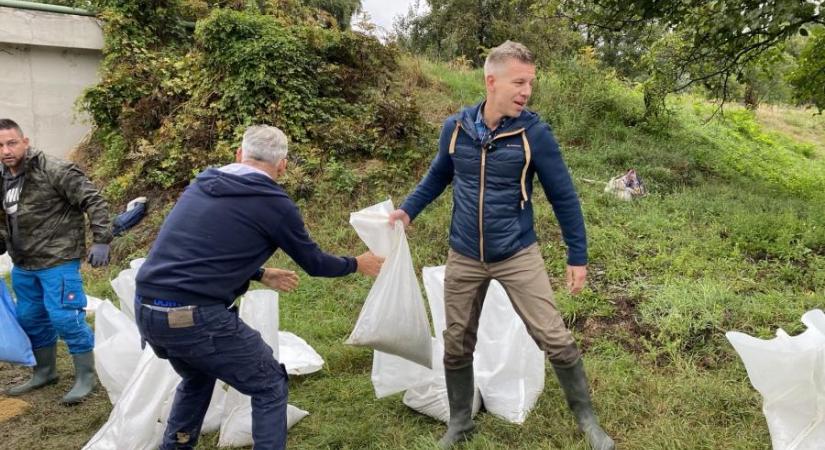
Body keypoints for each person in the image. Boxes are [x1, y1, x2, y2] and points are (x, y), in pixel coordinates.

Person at [388, 42, 615, 450]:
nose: (527, 91)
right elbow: (439, 174)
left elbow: (564, 196)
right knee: (456, 341)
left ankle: (588, 420)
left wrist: (576, 256)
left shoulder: (534, 134)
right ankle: (460, 423)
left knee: (555, 337)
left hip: (517, 253)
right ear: (491, 81)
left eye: (530, 82)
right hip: (464, 253)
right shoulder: (456, 128)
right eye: (519, 82)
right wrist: (408, 211)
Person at [134, 124, 384, 450]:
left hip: (147, 308)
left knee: (197, 375)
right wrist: (356, 263)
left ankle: (176, 445)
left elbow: (198, 252)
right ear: (282, 165)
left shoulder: (203, 184)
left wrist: (259, 273)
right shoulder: (274, 204)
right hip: (194, 317)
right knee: (269, 383)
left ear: (239, 154)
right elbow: (314, 263)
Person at [1, 118, 112, 404]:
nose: (6, 150)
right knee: (30, 317)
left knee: (65, 317)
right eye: (0, 145)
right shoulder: (2, 177)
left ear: (25, 142)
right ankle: (45, 371)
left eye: (11, 142)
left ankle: (86, 376)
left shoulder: (54, 169)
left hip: (58, 259)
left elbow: (94, 200)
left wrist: (102, 239)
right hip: (24, 263)